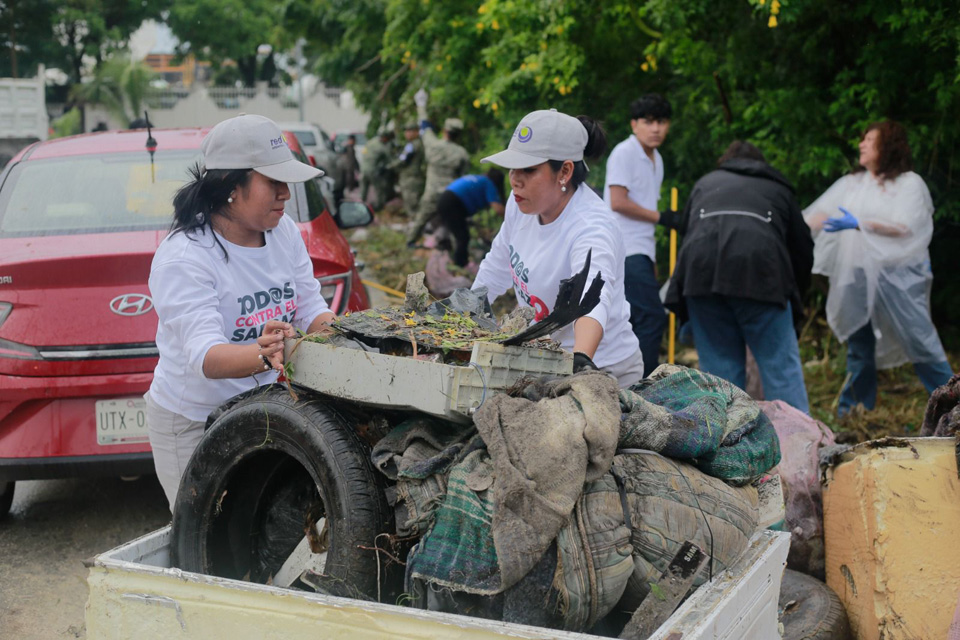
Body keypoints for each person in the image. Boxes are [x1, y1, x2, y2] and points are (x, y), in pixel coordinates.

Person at [146, 114, 336, 510]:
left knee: (262, 529)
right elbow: (208, 357)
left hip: (267, 407)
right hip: (195, 423)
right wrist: (264, 353)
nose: (286, 193)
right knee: (205, 539)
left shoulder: (282, 231)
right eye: (273, 182)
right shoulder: (185, 257)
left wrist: (342, 334)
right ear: (232, 186)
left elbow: (310, 306)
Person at [471, 109, 644, 387]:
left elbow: (592, 298)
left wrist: (582, 359)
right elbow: (496, 267)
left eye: (529, 169)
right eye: (513, 168)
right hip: (544, 359)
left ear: (564, 171)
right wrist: (465, 318)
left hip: (603, 369)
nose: (515, 179)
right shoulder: (520, 206)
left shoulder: (591, 227)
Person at [803, 120, 953, 416]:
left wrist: (861, 223)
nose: (861, 144)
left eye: (869, 140)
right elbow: (818, 214)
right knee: (859, 344)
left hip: (897, 279)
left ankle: (953, 404)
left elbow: (906, 227)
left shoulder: (908, 184)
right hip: (857, 276)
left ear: (888, 146)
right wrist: (787, 230)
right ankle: (853, 411)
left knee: (920, 341)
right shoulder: (854, 183)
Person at [662, 141, 814, 412]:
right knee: (780, 366)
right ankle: (800, 444)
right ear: (761, 165)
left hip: (701, 279)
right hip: (763, 279)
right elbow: (802, 249)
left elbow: (688, 236)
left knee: (720, 377)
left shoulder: (705, 184)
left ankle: (725, 447)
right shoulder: (778, 188)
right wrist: (796, 301)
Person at [603, 94, 673, 374]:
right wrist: (662, 218)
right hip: (624, 247)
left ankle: (630, 380)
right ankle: (644, 384)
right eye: (648, 122)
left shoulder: (657, 159)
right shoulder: (625, 152)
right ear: (634, 124)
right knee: (652, 317)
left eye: (661, 122)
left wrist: (652, 259)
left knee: (632, 318)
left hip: (641, 250)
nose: (655, 129)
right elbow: (617, 200)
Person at [406, 89, 471, 247]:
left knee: (421, 218)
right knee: (452, 221)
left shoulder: (433, 144)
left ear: (444, 131)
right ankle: (448, 245)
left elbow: (424, 126)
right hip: (450, 194)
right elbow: (463, 175)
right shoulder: (462, 153)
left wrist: (421, 105)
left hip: (432, 191)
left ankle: (410, 242)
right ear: (459, 135)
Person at [435, 169, 505, 267]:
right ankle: (459, 265)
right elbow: (497, 208)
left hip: (445, 198)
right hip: (453, 202)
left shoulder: (478, 178)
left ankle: (448, 256)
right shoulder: (488, 183)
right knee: (463, 237)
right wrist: (511, 217)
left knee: (455, 232)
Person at [390, 122, 426, 216]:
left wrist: (390, 166)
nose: (407, 133)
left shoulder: (413, 145)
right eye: (406, 131)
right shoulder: (414, 143)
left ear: (416, 132)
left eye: (410, 131)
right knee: (411, 203)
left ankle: (417, 227)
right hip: (412, 178)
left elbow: (403, 160)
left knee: (412, 204)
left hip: (412, 179)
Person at [360, 130, 395, 210]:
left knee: (364, 189)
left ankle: (360, 204)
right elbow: (389, 160)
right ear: (385, 138)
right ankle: (379, 206)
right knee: (379, 189)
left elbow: (364, 152)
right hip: (373, 170)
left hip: (363, 168)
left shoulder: (371, 142)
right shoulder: (383, 147)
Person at [333, 134, 359, 203]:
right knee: (344, 183)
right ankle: (344, 198)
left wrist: (357, 167)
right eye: (352, 140)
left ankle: (347, 197)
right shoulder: (346, 147)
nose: (353, 142)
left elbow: (354, 159)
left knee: (349, 183)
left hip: (349, 169)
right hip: (345, 169)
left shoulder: (351, 147)